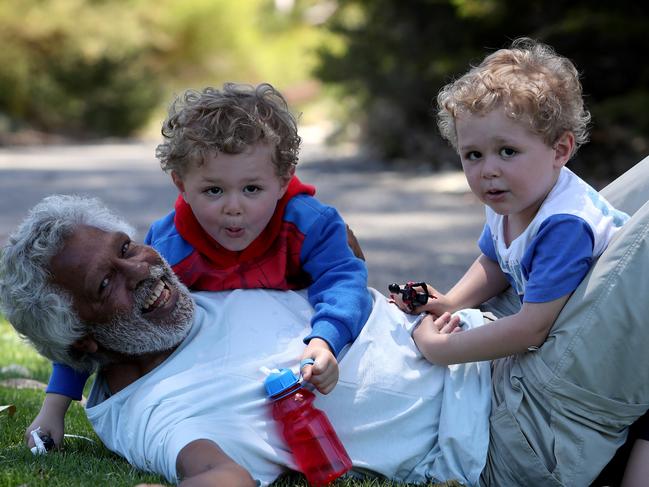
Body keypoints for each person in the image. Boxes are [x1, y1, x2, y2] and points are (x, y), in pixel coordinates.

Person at [0, 195, 492, 487]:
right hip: (496, 421)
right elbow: (224, 478)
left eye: (126, 248)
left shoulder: (187, 282)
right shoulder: (155, 413)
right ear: (84, 340)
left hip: (474, 335)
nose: (142, 271)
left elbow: (339, 248)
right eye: (106, 285)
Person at [30, 83, 373, 448]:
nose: (234, 207)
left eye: (252, 189)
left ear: (284, 179)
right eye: (214, 190)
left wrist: (326, 338)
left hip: (304, 349)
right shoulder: (170, 245)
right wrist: (54, 408)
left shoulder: (310, 224)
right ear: (181, 184)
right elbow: (107, 323)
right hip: (228, 370)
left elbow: (343, 280)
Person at [390, 38, 629, 366]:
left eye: (508, 151)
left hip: (602, 356)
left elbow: (532, 330)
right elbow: (496, 261)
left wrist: (439, 350)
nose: (488, 170)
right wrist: (451, 303)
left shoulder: (565, 224)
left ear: (560, 150)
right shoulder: (513, 197)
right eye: (473, 155)